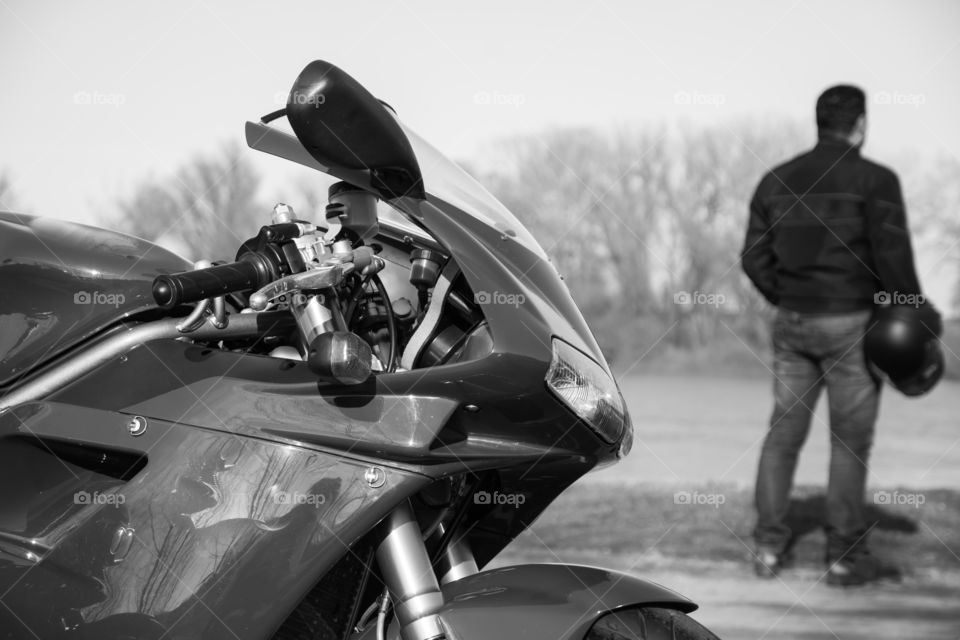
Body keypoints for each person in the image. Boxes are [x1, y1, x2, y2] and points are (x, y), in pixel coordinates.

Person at [740, 84, 928, 586]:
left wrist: (787, 295)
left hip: (793, 322)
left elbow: (752, 257)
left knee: (783, 436)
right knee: (848, 444)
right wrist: (915, 316)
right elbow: (893, 257)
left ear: (819, 121)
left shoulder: (775, 179)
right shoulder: (877, 180)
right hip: (852, 325)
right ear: (860, 124)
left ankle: (767, 549)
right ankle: (843, 557)